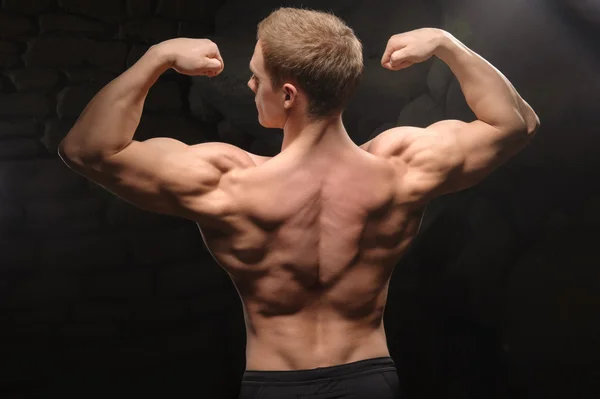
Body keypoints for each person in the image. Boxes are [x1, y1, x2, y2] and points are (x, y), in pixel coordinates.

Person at [58, 7, 539, 399]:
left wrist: (156, 58)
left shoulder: (227, 182)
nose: (250, 87)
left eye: (255, 76)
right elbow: (515, 123)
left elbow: (87, 148)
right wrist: (445, 44)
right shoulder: (403, 169)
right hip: (369, 381)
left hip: (274, 385)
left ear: (288, 94)